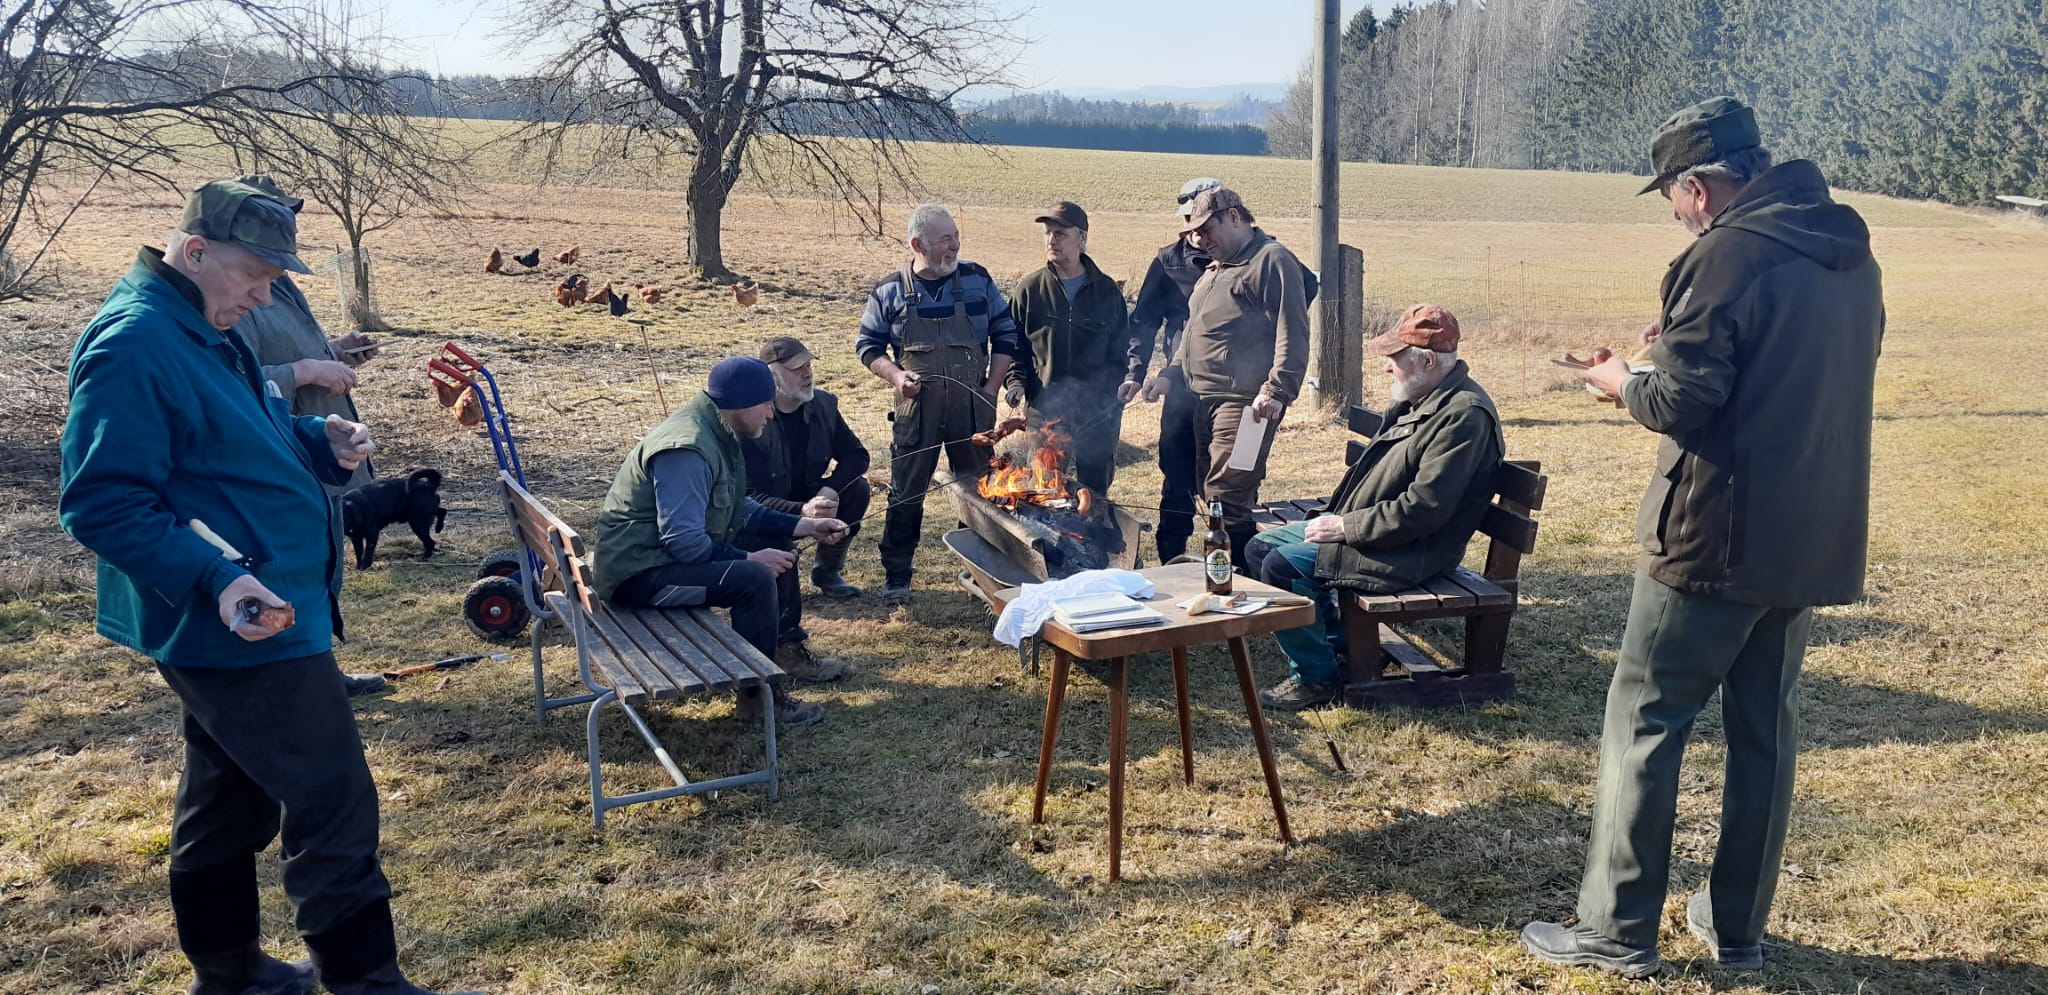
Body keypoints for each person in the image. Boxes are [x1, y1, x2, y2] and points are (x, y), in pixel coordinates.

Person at [58, 177, 481, 995]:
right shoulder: (135, 344)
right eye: (255, 273)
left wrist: (317, 439)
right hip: (241, 620)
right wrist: (216, 577)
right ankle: (366, 982)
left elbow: (237, 428)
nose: (264, 294)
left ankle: (233, 975)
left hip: (265, 603)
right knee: (333, 799)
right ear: (195, 251)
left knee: (230, 801)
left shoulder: (208, 325)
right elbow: (101, 502)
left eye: (275, 277)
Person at [1521, 96, 1885, 978]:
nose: (1675, 215)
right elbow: (1794, 367)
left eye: (1671, 198)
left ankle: (1614, 929)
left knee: (1645, 719)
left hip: (1712, 532)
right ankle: (1738, 927)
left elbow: (1682, 401)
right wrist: (1678, 340)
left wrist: (1620, 379)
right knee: (1765, 731)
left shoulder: (1724, 253)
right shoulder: (1848, 251)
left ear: (1697, 186)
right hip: (1809, 533)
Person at [1244, 305, 1503, 711]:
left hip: (1413, 550)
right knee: (1259, 548)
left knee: (1282, 567)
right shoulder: (1423, 398)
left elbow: (1423, 510)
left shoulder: (1464, 416)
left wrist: (1346, 527)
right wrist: (1342, 521)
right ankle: (1346, 650)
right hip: (1377, 528)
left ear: (1428, 361)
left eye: (1395, 358)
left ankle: (1317, 678)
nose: (1387, 367)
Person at [591, 357, 852, 728]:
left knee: (766, 550)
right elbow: (684, 543)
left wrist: (804, 525)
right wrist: (749, 559)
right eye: (766, 404)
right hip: (636, 580)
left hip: (650, 562)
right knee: (754, 580)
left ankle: (779, 657)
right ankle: (759, 702)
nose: (771, 414)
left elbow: (737, 506)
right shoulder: (688, 449)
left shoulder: (713, 431)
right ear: (742, 404)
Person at [225, 175, 388, 698]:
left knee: (324, 570)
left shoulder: (280, 284)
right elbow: (233, 386)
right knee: (295, 574)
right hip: (284, 459)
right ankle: (296, 681)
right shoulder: (233, 298)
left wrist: (333, 351)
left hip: (319, 456)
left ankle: (317, 672)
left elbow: (283, 352)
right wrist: (308, 371)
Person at [1127, 178, 1320, 560]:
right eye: (1194, 232)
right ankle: (1231, 578)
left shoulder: (1271, 260)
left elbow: (1293, 330)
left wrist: (1277, 390)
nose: (1199, 239)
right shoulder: (1216, 269)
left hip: (1244, 406)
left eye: (1206, 229)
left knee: (1227, 497)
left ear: (1233, 217)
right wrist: (1170, 375)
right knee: (1208, 490)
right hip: (1202, 401)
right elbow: (1192, 336)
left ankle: (1246, 583)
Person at [857, 203, 1024, 605]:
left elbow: (1006, 334)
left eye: (956, 237)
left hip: (973, 407)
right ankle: (897, 576)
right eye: (945, 239)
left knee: (980, 492)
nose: (954, 246)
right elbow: (867, 346)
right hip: (917, 410)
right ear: (918, 245)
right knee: (906, 493)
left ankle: (981, 572)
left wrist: (991, 388)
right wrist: (897, 377)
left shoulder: (978, 280)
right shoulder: (889, 291)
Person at [1006, 201, 1129, 494]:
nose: (1051, 240)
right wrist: (1015, 382)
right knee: (1045, 490)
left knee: (1094, 493)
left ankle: (1093, 525)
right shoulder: (1030, 290)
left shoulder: (1106, 291)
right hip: (1046, 409)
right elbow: (1013, 346)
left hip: (1097, 413)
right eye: (1048, 233)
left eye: (1060, 233)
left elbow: (1121, 351)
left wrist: (1112, 399)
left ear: (1082, 239)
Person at [742, 335, 872, 607]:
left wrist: (828, 491)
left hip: (807, 495)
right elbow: (746, 496)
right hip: (763, 510)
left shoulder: (823, 405)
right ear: (772, 377)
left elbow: (856, 455)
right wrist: (802, 512)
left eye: (809, 366)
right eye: (796, 368)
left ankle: (827, 571)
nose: (807, 374)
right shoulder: (752, 416)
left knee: (856, 489)